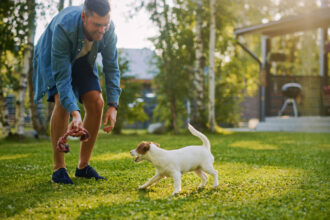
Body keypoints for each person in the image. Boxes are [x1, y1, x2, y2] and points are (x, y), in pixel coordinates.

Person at [33, 0, 121, 184]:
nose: (102, 30)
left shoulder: (108, 29)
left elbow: (112, 67)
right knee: (62, 102)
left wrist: (114, 105)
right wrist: (75, 112)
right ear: (84, 17)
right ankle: (59, 169)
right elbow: (63, 79)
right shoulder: (64, 27)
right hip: (55, 55)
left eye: (105, 24)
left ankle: (83, 167)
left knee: (97, 102)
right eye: (97, 25)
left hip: (83, 58)